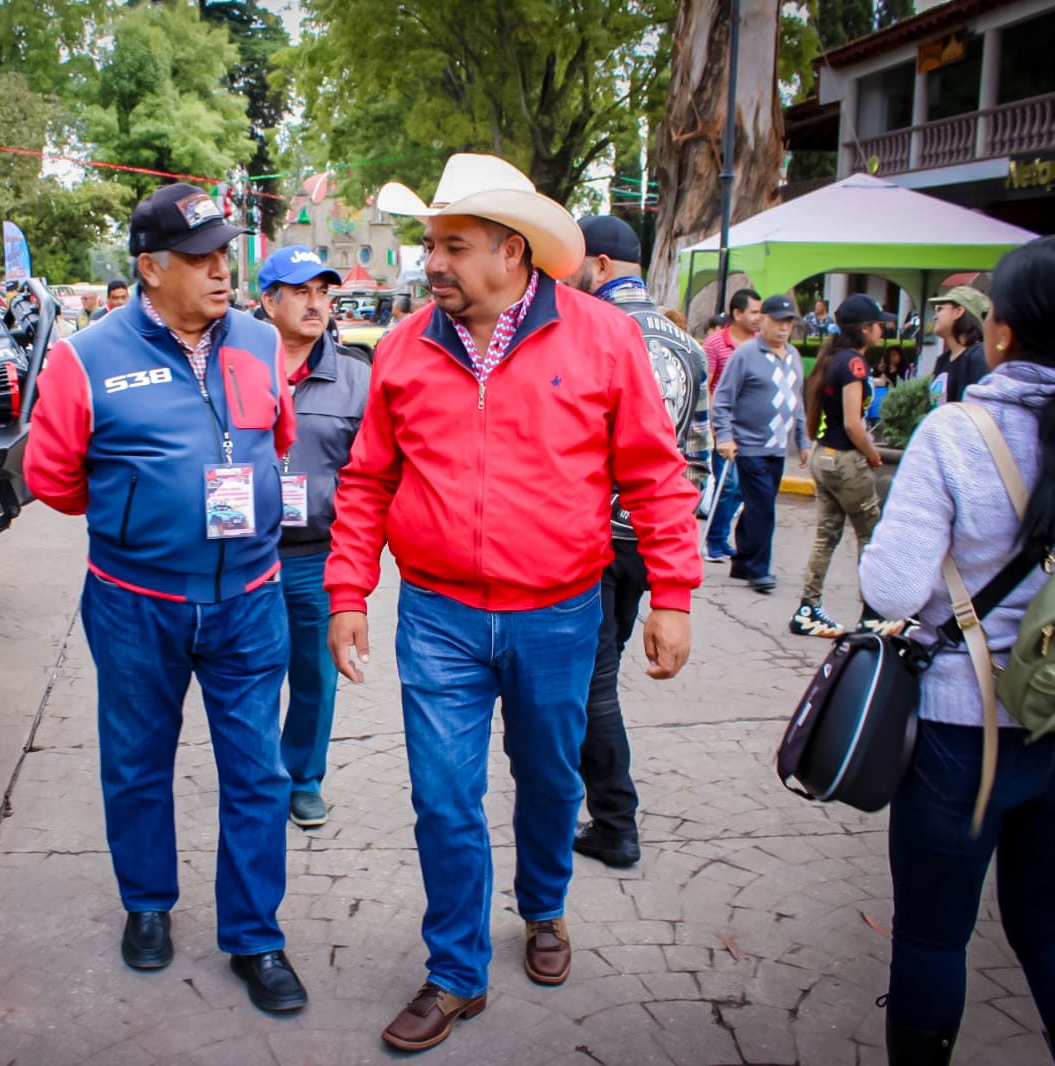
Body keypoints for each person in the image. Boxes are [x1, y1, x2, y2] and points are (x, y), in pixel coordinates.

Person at [324, 154, 700, 1052]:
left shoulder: (603, 339)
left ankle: (543, 908)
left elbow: (654, 476)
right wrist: (348, 590)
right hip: (439, 615)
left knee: (549, 778)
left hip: (561, 612)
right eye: (431, 245)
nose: (433, 263)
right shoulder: (406, 346)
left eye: (453, 245)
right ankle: (455, 971)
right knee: (443, 796)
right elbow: (369, 479)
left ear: (512, 249)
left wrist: (673, 594)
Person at [22, 182, 310, 1015]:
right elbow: (53, 478)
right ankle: (147, 902)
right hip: (133, 599)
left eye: (225, 255)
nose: (222, 271)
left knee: (257, 770)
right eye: (199, 259)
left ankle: (255, 938)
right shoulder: (86, 357)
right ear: (149, 269)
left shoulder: (259, 341)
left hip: (249, 597)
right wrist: (139, 516)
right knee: (137, 758)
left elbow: (277, 438)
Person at [860, 235, 1055, 1064]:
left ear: (1000, 331)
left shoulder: (956, 431)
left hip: (961, 733)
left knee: (934, 938)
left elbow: (893, 590)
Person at [567, 215, 709, 871]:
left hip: (591, 537)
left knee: (590, 685)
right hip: (648, 542)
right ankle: (592, 805)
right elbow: (695, 462)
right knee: (599, 674)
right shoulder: (688, 345)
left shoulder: (590, 333)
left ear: (595, 265)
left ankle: (613, 820)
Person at [256, 245, 370, 829]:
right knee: (247, 675)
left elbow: (370, 474)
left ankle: (303, 777)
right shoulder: (235, 365)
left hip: (315, 558)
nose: (315, 303)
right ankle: (255, 776)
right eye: (300, 291)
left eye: (323, 292)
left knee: (315, 677)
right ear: (267, 300)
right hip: (243, 554)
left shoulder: (355, 377)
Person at [791, 293, 907, 638]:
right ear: (865, 329)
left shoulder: (831, 359)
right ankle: (874, 612)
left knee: (826, 536)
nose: (882, 330)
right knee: (871, 536)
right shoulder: (854, 365)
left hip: (824, 455)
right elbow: (855, 424)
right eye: (877, 325)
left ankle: (808, 609)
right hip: (846, 462)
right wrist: (872, 455)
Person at [711, 292, 811, 594]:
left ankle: (742, 561)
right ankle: (759, 569)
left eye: (788, 323)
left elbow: (797, 401)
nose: (783, 328)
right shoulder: (746, 354)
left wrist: (803, 439)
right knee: (763, 507)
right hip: (749, 445)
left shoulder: (792, 356)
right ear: (763, 321)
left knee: (755, 504)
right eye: (778, 321)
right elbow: (723, 398)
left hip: (777, 446)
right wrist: (725, 436)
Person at [703, 289, 762, 564]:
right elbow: (708, 386)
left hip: (750, 431)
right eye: (753, 312)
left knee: (740, 489)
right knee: (727, 484)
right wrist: (716, 427)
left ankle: (721, 536)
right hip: (724, 430)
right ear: (737, 314)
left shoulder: (760, 344)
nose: (758, 318)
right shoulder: (715, 344)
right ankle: (713, 541)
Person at [926, 285, 991, 405]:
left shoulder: (978, 358)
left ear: (958, 312)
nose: (935, 316)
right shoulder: (943, 359)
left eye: (940, 309)